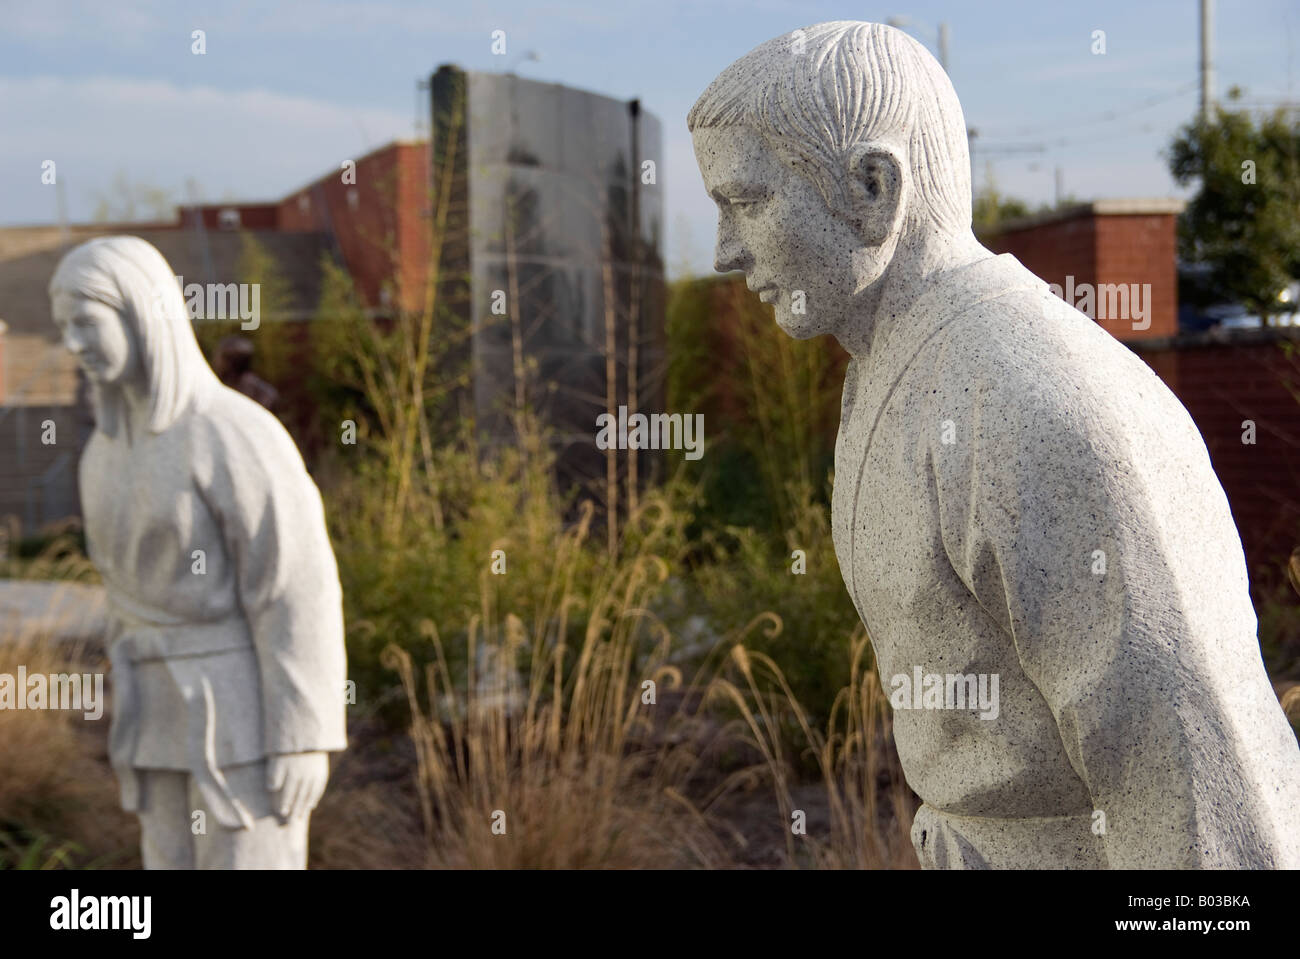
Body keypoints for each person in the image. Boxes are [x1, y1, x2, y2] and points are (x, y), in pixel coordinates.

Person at [690, 20, 1300, 868]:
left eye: (747, 203)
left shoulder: (1032, 397)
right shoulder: (894, 363)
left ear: (873, 187)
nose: (723, 253)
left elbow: (1200, 780)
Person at [49, 235, 346, 869]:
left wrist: (302, 734)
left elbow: (295, 585)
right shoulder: (103, 454)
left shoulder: (231, 432)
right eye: (62, 327)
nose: (71, 344)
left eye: (85, 323)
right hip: (152, 712)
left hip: (239, 717)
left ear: (138, 313)